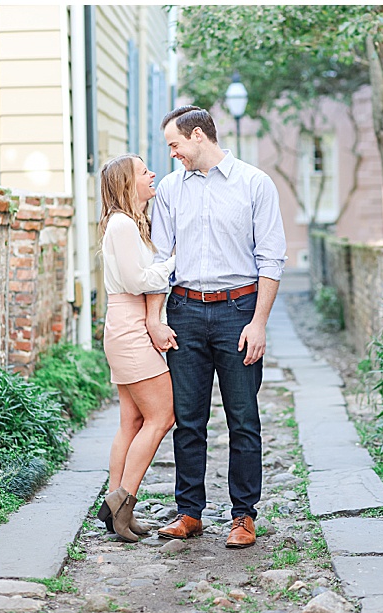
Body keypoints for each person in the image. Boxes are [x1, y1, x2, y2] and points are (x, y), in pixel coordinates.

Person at [145, 106, 287, 549]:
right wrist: (155, 316)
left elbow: (271, 259)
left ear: (200, 136)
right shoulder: (169, 190)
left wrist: (258, 323)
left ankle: (243, 516)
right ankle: (189, 511)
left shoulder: (254, 184)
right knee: (189, 419)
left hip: (238, 311)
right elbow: (159, 259)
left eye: (175, 145)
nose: (172, 155)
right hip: (185, 311)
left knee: (243, 418)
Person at [96, 154, 177, 543]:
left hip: (123, 325)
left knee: (131, 420)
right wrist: (172, 263)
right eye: (144, 171)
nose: (152, 174)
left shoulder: (127, 224)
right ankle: (122, 502)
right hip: (129, 328)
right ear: (128, 183)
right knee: (162, 416)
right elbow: (137, 279)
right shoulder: (123, 225)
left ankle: (116, 508)